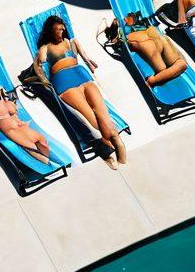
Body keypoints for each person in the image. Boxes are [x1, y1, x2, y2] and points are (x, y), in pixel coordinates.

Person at [35, 15, 127, 168]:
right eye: (57, 30)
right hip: (64, 82)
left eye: (62, 29)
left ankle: (114, 140)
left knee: (102, 114)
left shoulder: (72, 42)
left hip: (81, 76)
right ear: (50, 32)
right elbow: (39, 67)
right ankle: (109, 147)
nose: (60, 33)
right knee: (92, 119)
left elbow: (85, 57)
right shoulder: (44, 48)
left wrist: (91, 65)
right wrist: (43, 79)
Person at [0, 85, 59, 167]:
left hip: (21, 129)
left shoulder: (5, 105)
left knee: (40, 145)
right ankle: (50, 163)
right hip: (17, 131)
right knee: (35, 149)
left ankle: (50, 162)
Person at [106, 12, 188, 88]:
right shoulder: (148, 34)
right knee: (177, 65)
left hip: (149, 39)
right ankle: (152, 81)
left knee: (170, 66)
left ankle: (153, 80)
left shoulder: (137, 35)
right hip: (151, 38)